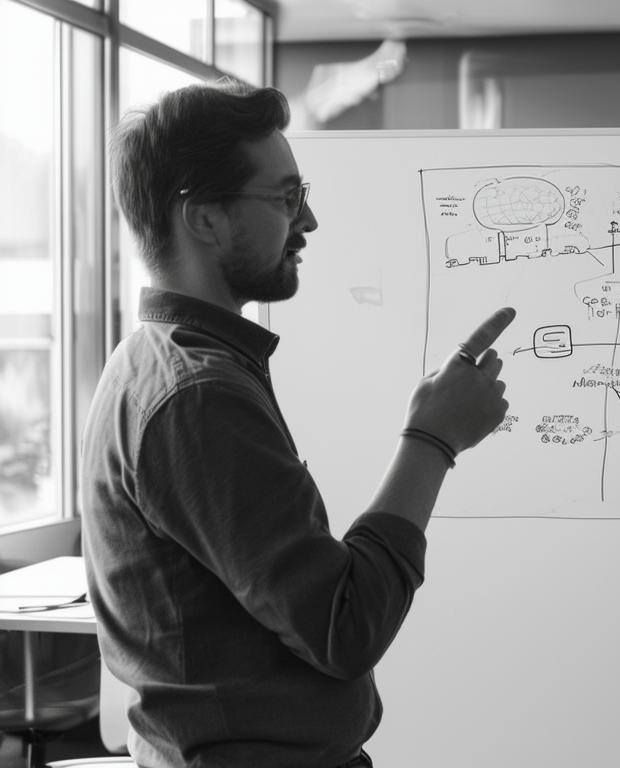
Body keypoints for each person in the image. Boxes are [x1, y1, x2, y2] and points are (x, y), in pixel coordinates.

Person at [81, 79, 514, 768]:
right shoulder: (197, 397)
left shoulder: (163, 362)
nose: (308, 222)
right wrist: (433, 439)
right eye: (286, 198)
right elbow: (344, 626)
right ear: (206, 220)